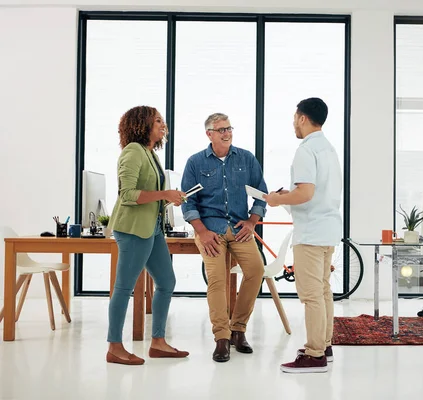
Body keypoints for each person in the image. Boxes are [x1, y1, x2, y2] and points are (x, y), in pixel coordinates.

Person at [106, 105, 189, 366]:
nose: (163, 125)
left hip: (151, 229)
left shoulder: (149, 153)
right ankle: (115, 347)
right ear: (142, 124)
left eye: (163, 120)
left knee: (166, 282)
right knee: (124, 288)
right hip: (132, 230)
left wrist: (168, 199)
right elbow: (128, 195)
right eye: (157, 121)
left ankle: (158, 342)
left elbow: (149, 195)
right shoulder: (132, 151)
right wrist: (164, 194)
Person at [181, 112, 268, 363]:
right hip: (210, 230)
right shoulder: (196, 163)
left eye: (229, 128)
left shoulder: (246, 159)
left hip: (240, 229)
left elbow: (261, 193)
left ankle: (238, 330)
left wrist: (252, 221)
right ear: (209, 134)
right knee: (217, 279)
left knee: (256, 270)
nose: (227, 133)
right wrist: (202, 231)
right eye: (221, 129)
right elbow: (188, 201)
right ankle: (221, 337)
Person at [264, 98, 342, 373]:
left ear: (302, 118)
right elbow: (316, 191)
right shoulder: (328, 148)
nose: (293, 123)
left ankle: (314, 354)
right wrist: (288, 196)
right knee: (322, 291)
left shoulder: (306, 150)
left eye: (294, 117)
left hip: (311, 233)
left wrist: (275, 200)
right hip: (327, 228)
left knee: (311, 295)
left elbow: (306, 193)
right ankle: (325, 345)